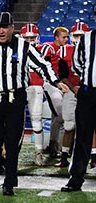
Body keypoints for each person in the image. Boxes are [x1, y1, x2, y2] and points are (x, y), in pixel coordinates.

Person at [0, 12, 68, 196]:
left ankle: (9, 182)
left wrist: (56, 81)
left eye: (5, 27)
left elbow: (43, 65)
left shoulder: (24, 46)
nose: (1, 30)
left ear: (12, 28)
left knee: (12, 141)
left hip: (15, 98)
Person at [61, 22, 96, 192]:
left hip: (88, 91)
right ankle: (76, 179)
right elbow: (76, 65)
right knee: (82, 137)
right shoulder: (86, 39)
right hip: (88, 93)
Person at [56, 22, 90, 167]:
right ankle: (64, 156)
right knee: (69, 125)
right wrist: (74, 88)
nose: (78, 38)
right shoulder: (65, 51)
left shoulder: (92, 50)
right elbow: (62, 75)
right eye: (76, 35)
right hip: (71, 90)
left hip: (88, 91)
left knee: (90, 126)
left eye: (81, 36)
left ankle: (93, 158)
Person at [18, 23, 47, 166]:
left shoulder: (43, 49)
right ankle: (12, 152)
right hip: (21, 88)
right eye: (27, 38)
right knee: (16, 122)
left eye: (32, 38)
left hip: (36, 87)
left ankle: (38, 153)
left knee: (36, 121)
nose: (30, 41)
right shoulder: (16, 50)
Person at [42, 26, 69, 158]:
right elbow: (43, 64)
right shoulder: (49, 47)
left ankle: (52, 145)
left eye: (67, 37)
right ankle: (53, 145)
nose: (66, 39)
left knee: (55, 116)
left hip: (61, 84)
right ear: (56, 37)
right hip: (50, 84)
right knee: (60, 116)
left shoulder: (66, 49)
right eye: (64, 37)